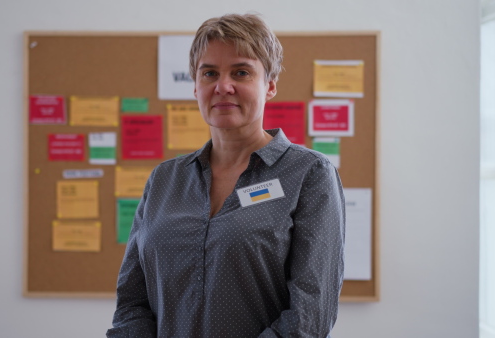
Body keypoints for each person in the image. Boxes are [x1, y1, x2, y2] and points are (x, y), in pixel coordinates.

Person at [108, 13, 345, 338]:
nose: (223, 86)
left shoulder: (309, 174)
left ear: (270, 85)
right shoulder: (164, 179)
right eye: (209, 73)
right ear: (195, 86)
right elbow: (131, 305)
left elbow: (309, 316)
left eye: (241, 72)